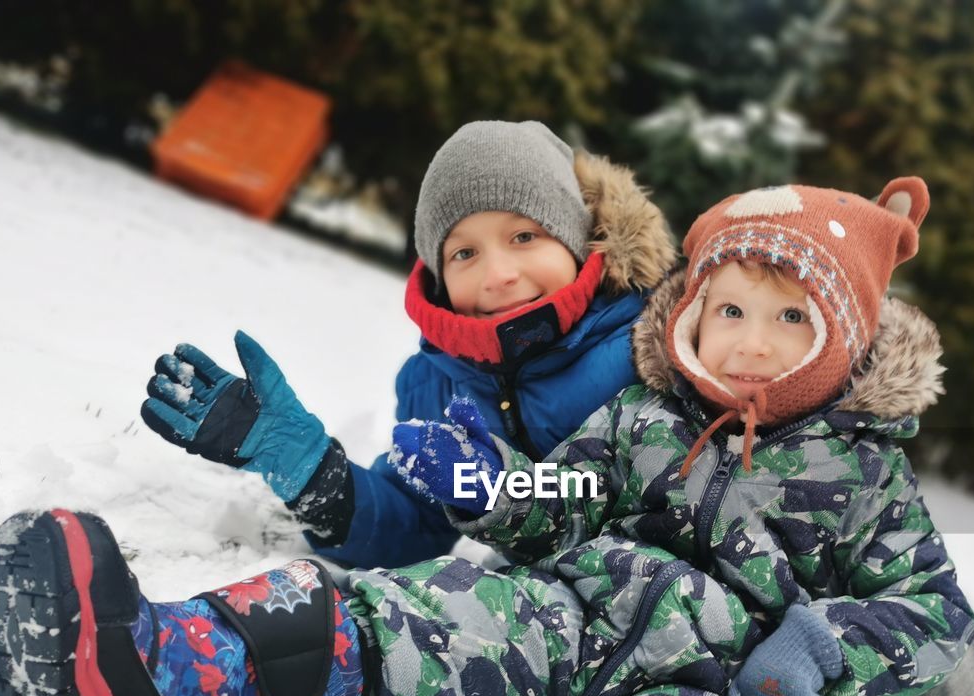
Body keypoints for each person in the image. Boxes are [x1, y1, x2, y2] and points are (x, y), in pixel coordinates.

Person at [0, 177, 969, 696]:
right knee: (399, 620)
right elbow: (569, 503)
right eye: (733, 310)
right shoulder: (639, 416)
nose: (753, 343)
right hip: (569, 606)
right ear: (690, 314)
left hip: (708, 688)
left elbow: (932, 615)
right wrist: (497, 494)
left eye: (791, 319)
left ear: (843, 343)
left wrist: (814, 651)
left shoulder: (862, 476)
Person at [139, 120, 675, 571]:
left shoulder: (651, 346)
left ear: (580, 242)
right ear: (438, 279)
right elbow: (416, 523)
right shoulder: (435, 382)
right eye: (465, 253)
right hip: (545, 624)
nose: (499, 274)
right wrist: (310, 471)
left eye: (524, 237)